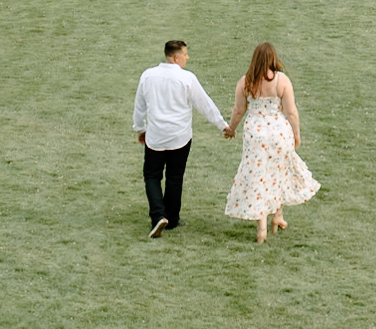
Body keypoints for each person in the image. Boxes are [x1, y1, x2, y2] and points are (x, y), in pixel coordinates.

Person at [223, 42, 318, 243]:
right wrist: (297, 135)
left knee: (259, 177)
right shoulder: (281, 81)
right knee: (279, 172)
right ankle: (277, 217)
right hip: (278, 133)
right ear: (272, 58)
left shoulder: (245, 81)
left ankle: (263, 228)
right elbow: (291, 111)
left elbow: (238, 110)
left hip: (255, 135)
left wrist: (231, 128)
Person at [132, 39, 227, 238]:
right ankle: (172, 218)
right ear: (176, 58)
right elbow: (204, 104)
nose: (187, 57)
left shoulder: (148, 75)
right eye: (185, 54)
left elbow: (140, 104)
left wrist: (140, 128)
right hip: (179, 137)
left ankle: (158, 214)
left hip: (156, 135)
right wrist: (222, 125)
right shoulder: (186, 78)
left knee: (152, 175)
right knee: (175, 176)